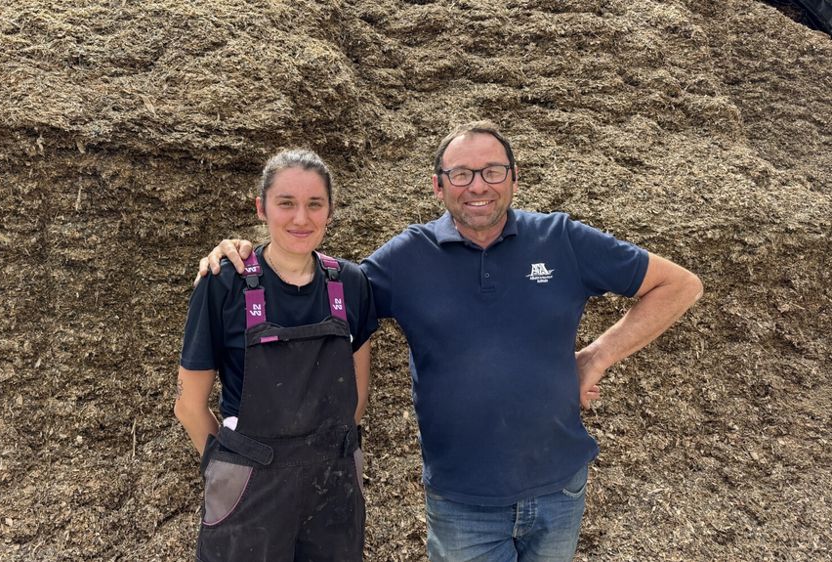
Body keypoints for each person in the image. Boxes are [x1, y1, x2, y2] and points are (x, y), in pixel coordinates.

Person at [197, 121, 703, 562]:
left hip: (559, 487)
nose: (477, 185)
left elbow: (679, 285)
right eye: (460, 173)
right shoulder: (404, 259)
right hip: (462, 502)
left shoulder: (563, 239)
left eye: (492, 171)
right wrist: (245, 258)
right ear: (438, 187)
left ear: (514, 179)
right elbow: (313, 289)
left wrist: (597, 356)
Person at [174, 148, 377, 561]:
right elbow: (189, 405)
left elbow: (355, 398)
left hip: (333, 492)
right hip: (249, 493)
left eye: (314, 204)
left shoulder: (351, 284)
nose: (301, 218)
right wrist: (229, 467)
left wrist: (320, 456)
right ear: (261, 208)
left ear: (330, 211)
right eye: (286, 203)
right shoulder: (223, 284)